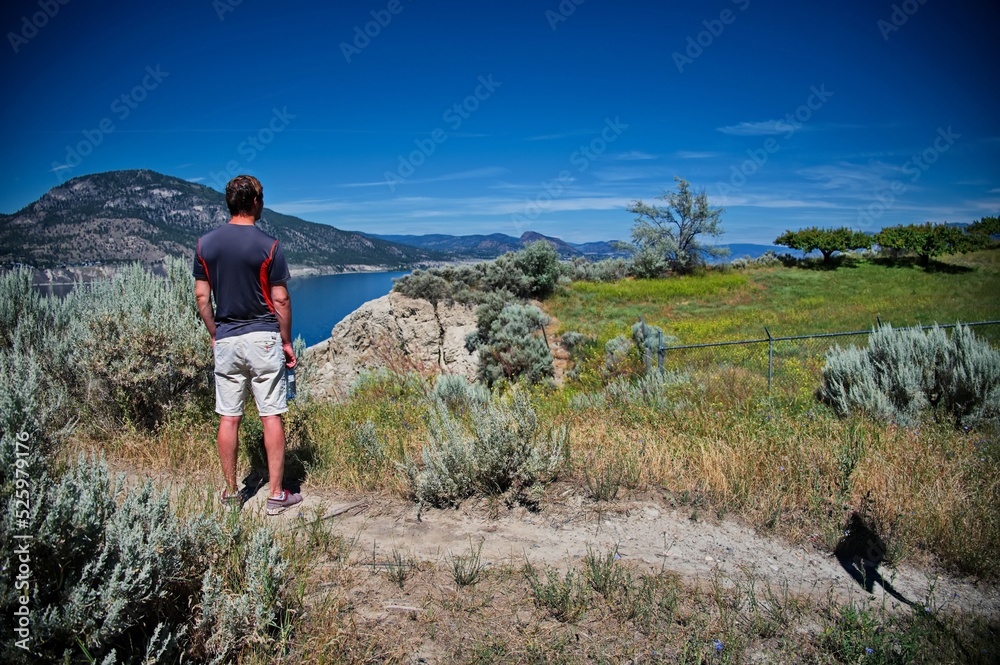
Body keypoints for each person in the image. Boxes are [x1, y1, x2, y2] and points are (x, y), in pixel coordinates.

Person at [193, 174, 302, 516]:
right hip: (263, 339)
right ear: (255, 201)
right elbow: (280, 299)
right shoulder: (270, 245)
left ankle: (231, 494)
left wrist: (215, 332)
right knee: (271, 415)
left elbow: (201, 297)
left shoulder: (205, 245)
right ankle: (276, 495)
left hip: (227, 338)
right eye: (262, 198)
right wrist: (286, 341)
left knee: (229, 417)